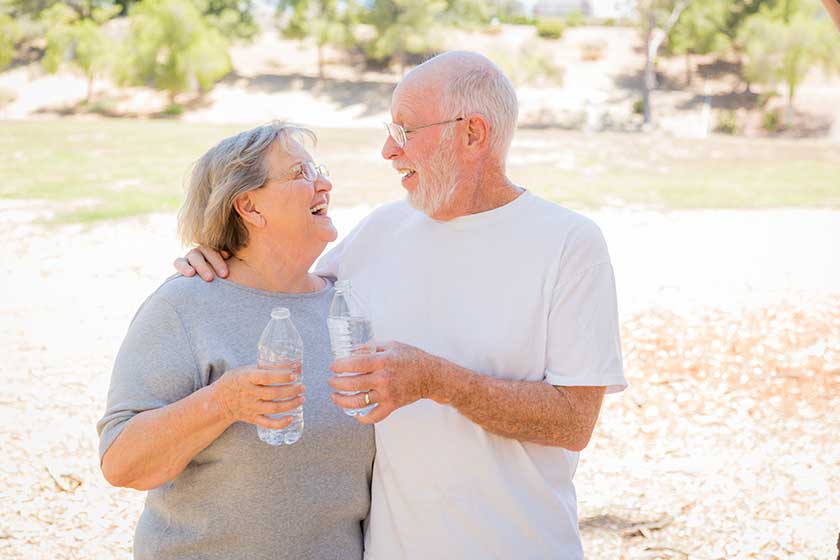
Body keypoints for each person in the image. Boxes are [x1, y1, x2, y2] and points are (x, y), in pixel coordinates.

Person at [178, 51, 627, 559]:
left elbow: (573, 423)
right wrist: (218, 255)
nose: (388, 150)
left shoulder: (569, 244)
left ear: (473, 134)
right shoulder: (382, 230)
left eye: (406, 131)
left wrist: (437, 381)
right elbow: (280, 286)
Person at [99, 122, 374, 560]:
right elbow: (121, 462)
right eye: (301, 173)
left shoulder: (345, 304)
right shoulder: (185, 304)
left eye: (318, 169)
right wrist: (223, 402)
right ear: (248, 206)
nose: (325, 183)